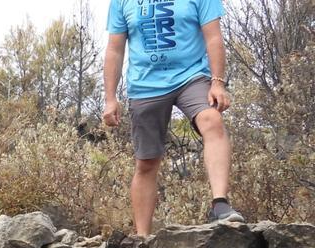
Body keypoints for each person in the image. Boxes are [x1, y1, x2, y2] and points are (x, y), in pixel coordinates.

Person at [103, 0, 244, 235]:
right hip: (145, 84)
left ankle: (220, 205)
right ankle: (142, 239)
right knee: (146, 162)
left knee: (212, 120)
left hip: (192, 76)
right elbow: (114, 49)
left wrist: (218, 82)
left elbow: (213, 37)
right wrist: (110, 97)